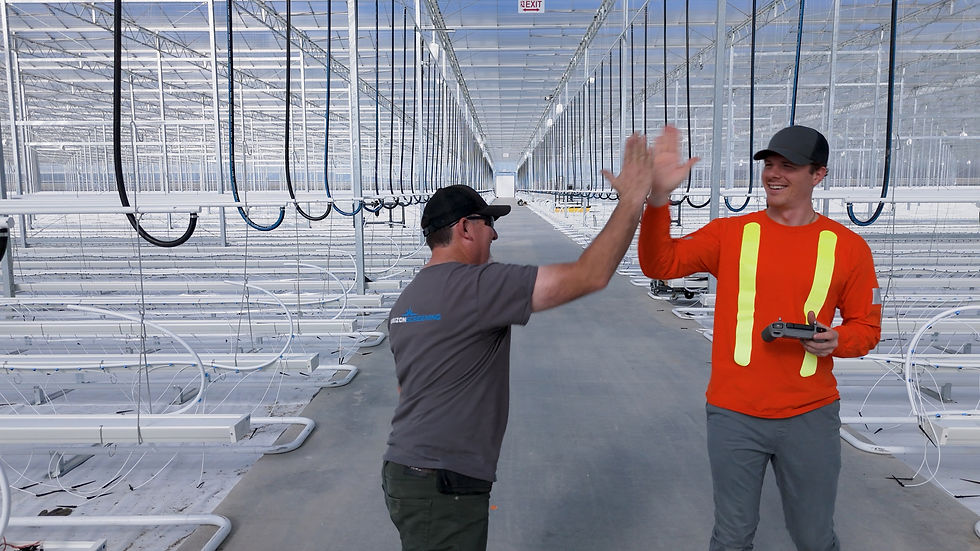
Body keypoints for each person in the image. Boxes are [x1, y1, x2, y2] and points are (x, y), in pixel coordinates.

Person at [382, 133, 663, 551]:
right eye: (488, 223)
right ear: (464, 229)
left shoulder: (408, 301)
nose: (494, 235)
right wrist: (633, 201)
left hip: (409, 470)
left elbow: (411, 386)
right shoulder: (477, 286)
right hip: (444, 483)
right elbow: (590, 275)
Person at [638, 125, 882, 551]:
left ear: (818, 174)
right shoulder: (729, 234)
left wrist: (837, 340)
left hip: (810, 414)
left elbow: (867, 327)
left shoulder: (849, 247)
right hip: (735, 414)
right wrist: (658, 199)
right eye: (769, 165)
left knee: (813, 537)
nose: (774, 174)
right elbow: (660, 263)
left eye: (788, 166)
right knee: (731, 537)